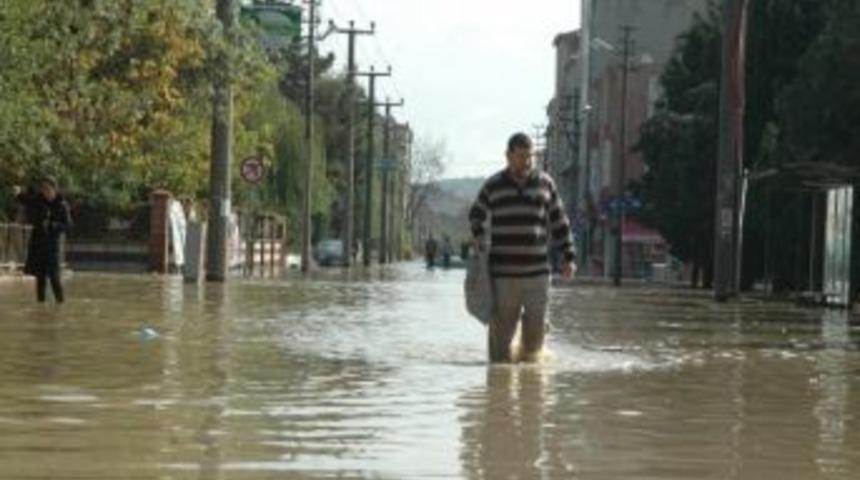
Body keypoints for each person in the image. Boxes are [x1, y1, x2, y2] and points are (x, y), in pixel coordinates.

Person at [468, 132, 576, 363]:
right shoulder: (493, 185)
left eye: (530, 157)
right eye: (521, 156)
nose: (527, 162)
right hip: (504, 276)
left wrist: (568, 256)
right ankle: (499, 390)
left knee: (534, 340)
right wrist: (478, 235)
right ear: (508, 156)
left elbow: (560, 221)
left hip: (537, 274)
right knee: (500, 345)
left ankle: (531, 385)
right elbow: (475, 214)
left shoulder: (546, 183)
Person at [13, 177, 72, 303]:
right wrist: (18, 193)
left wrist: (52, 225)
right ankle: (41, 305)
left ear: (54, 189)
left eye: (48, 189)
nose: (45, 192)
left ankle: (60, 303)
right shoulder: (38, 201)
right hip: (38, 244)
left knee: (54, 277)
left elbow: (67, 225)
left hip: (53, 245)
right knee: (40, 277)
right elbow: (26, 200)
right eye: (43, 189)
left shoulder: (62, 205)